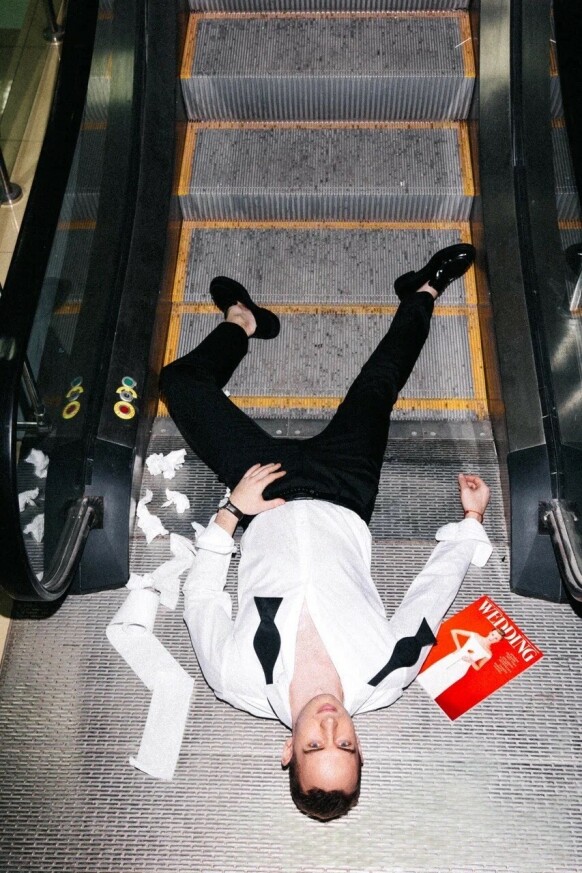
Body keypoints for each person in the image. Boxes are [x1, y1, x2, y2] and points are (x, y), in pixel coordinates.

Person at [160, 244, 493, 821]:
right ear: (362, 748)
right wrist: (471, 525)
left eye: (315, 745)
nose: (331, 725)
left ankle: (243, 321)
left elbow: (201, 597)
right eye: (347, 745)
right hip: (344, 489)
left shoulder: (234, 680)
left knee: (179, 384)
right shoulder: (388, 676)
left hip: (262, 494)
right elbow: (429, 598)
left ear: (287, 753)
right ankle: (423, 291)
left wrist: (233, 512)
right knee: (377, 387)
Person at [417, 627, 505, 699]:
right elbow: (454, 631)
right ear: (490, 632)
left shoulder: (489, 653)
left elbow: (478, 668)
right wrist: (458, 647)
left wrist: (472, 661)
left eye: (496, 638)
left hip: (461, 668)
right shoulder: (475, 635)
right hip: (453, 658)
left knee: (442, 683)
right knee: (433, 672)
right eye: (493, 634)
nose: (492, 638)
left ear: (498, 641)